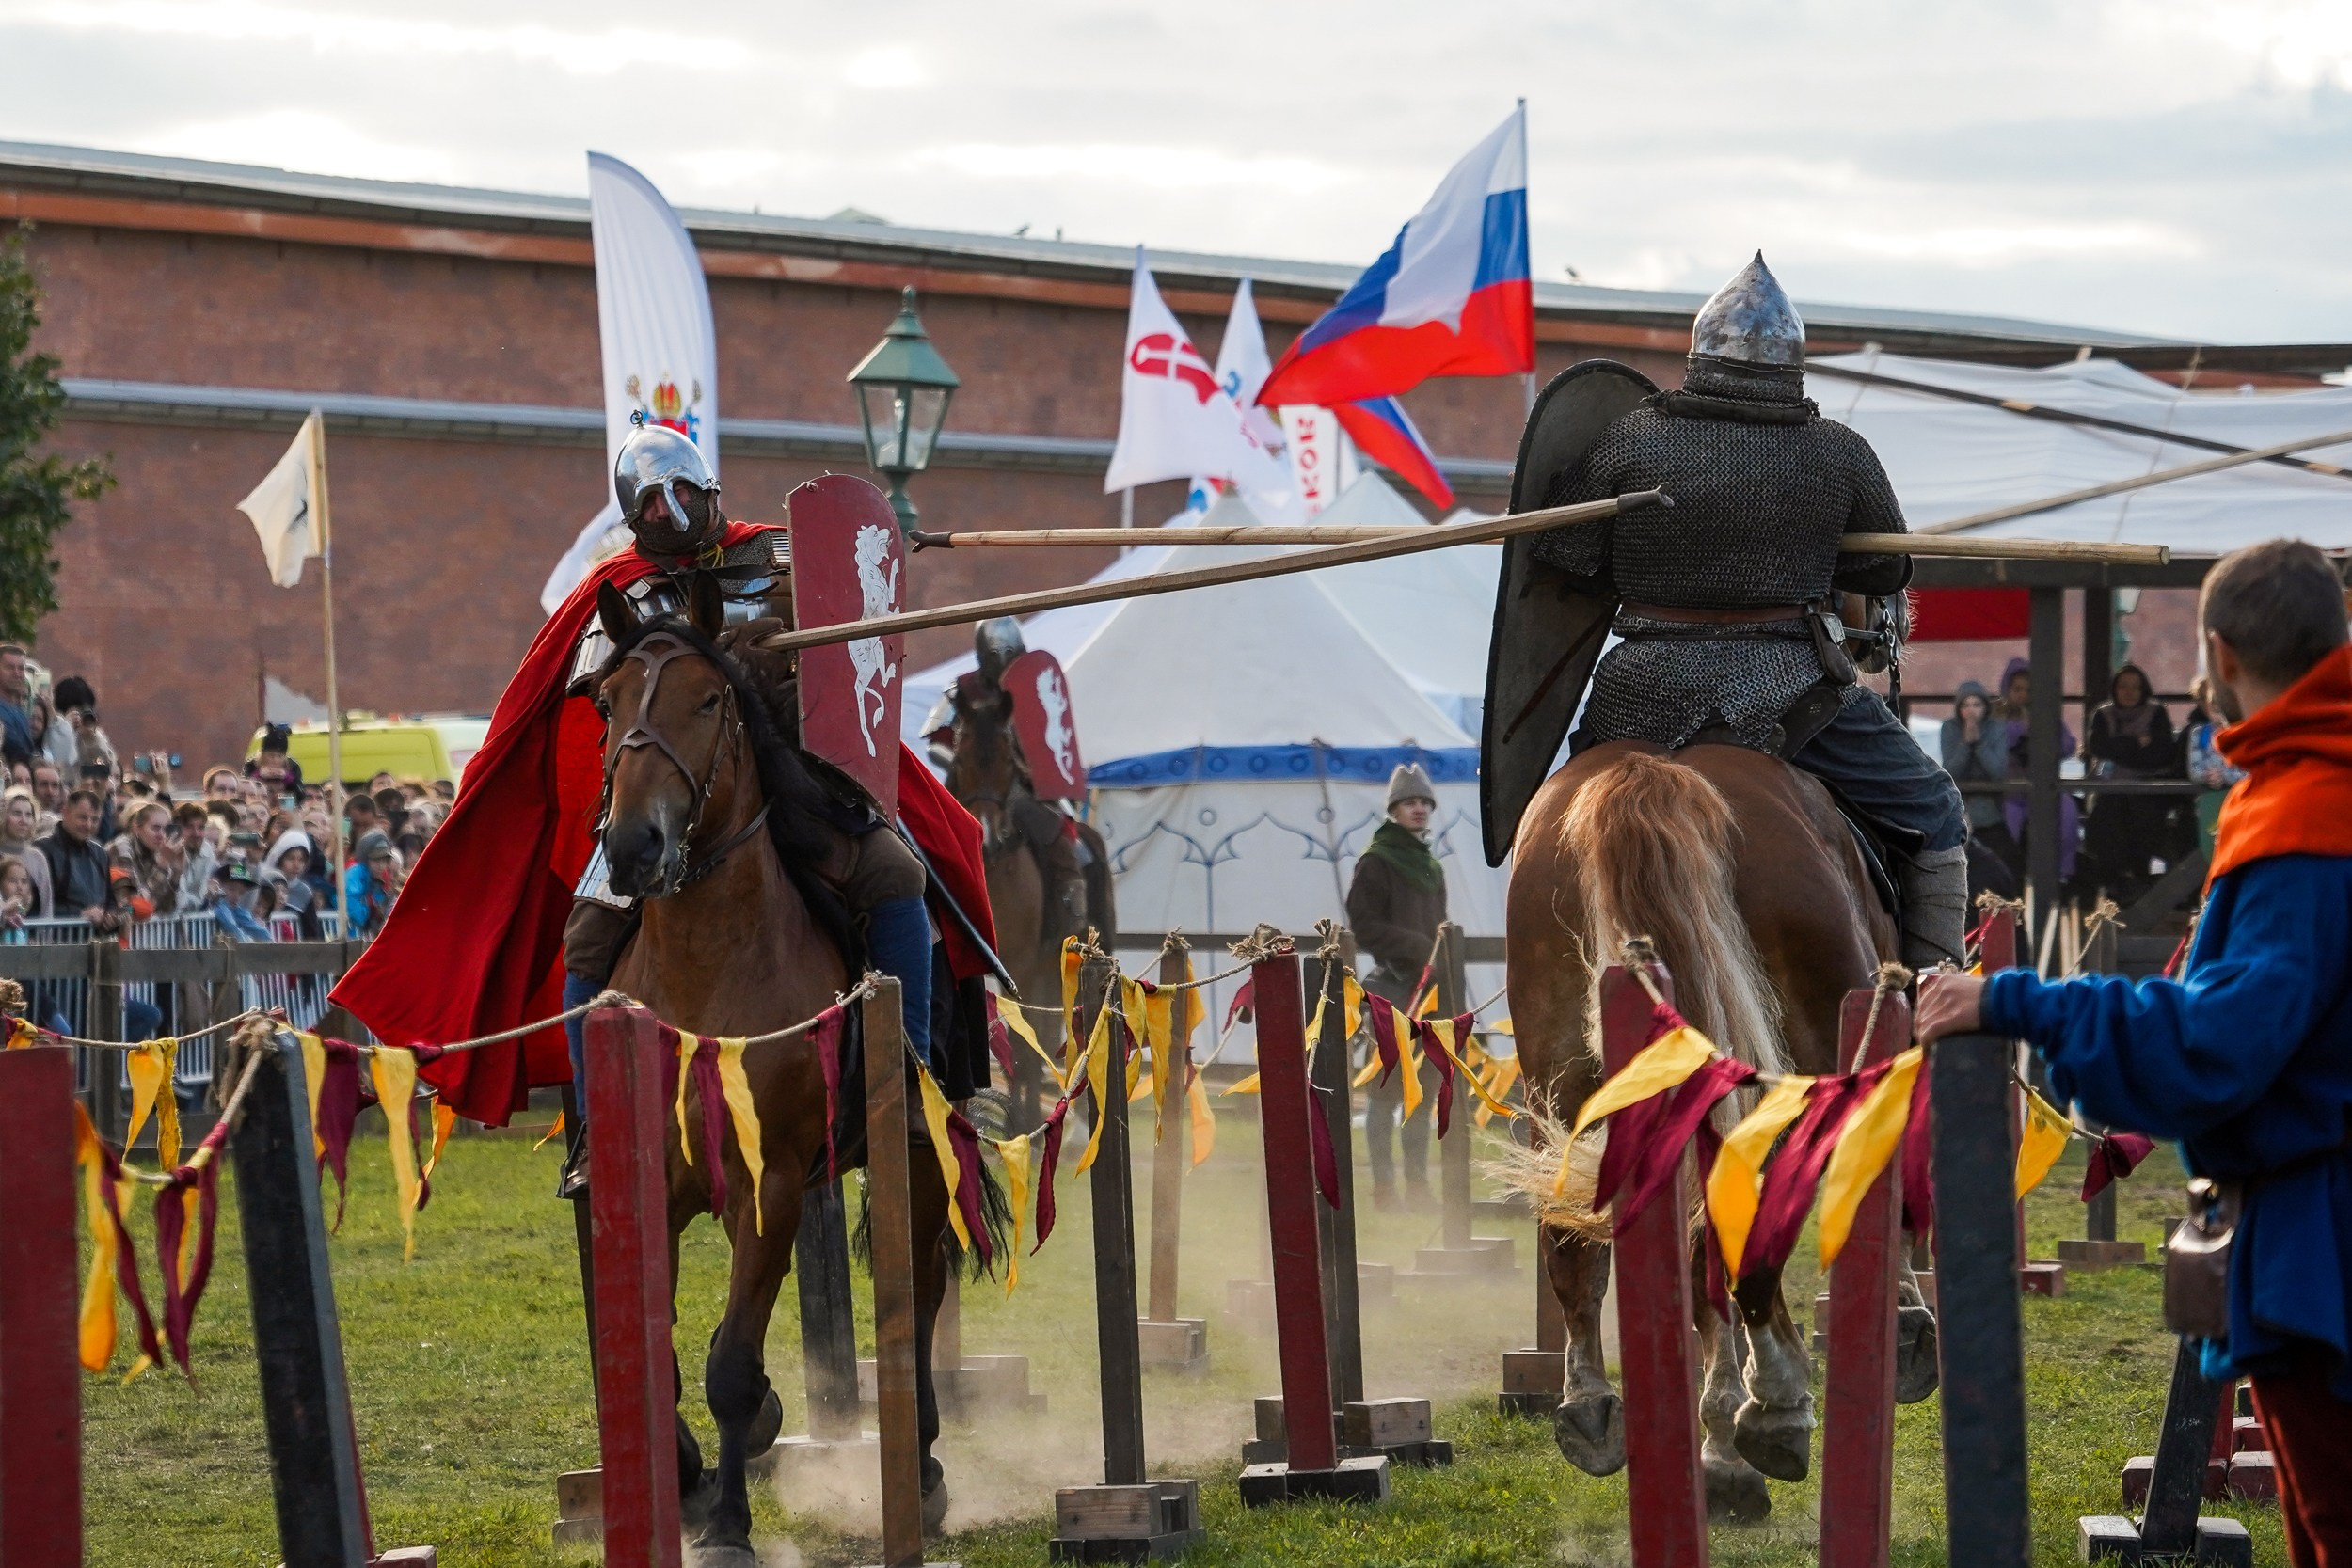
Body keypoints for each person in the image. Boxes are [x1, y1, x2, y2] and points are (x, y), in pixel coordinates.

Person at [330, 418, 997, 1164]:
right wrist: (698, 664)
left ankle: (901, 1088)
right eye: (650, 503)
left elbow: (852, 640)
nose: (669, 513)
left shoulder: (780, 555)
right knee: (586, 939)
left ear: (706, 486)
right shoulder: (620, 592)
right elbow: (598, 693)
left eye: (679, 492)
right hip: (672, 800)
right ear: (632, 516)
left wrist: (854, 571)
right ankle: (598, 1133)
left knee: (898, 872)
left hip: (793, 774)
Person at [1917, 541, 2352, 1567]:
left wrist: (2016, 1000)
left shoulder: (2308, 813)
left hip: (2326, 1247)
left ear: (2217, 652)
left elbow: (2214, 1042)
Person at [1527, 254, 1969, 970]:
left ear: (1699, 357)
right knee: (1933, 807)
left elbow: (1564, 555)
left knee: (1554, 821)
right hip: (1787, 689)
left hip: (1638, 691)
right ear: (1791, 365)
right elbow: (1881, 570)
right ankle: (1933, 995)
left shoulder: (1634, 439)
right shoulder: (1839, 453)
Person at [1347, 763, 1448, 1212]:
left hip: (1429, 995)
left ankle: (1420, 1188)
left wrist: (1443, 956)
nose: (1419, 809)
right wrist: (1417, 946)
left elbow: (1441, 929)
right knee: (1385, 1095)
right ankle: (1385, 1190)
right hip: (1391, 987)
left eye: (1425, 803)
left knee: (1422, 1094)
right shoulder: (1376, 861)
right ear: (1393, 810)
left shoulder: (1430, 866)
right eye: (1411, 803)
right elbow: (1365, 927)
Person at [2081, 663, 2182, 899]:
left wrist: (2120, 747)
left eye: (2135, 687)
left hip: (2148, 788)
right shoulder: (2102, 714)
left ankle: (2140, 878)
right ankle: (2113, 882)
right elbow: (2099, 748)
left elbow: (2160, 754)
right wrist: (2137, 743)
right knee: (2106, 817)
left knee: (2144, 814)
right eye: (2123, 686)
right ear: (2114, 689)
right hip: (2109, 789)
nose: (2129, 692)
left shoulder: (2156, 713)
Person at [1991, 657, 2080, 885]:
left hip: (2044, 789)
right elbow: (1997, 745)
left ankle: (2062, 875)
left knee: (2067, 813)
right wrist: (2021, 727)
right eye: (2017, 689)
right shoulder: (1996, 715)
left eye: (2029, 690)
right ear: (2007, 689)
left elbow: (2068, 746)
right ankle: (2007, 880)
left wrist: (2040, 727)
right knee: (2009, 826)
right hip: (2009, 791)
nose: (2023, 695)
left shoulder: (2046, 715)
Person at [37, 789, 113, 924]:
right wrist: (78, 915)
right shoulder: (42, 850)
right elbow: (34, 906)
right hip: (56, 939)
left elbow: (111, 902)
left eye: (95, 820)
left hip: (95, 938)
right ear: (65, 813)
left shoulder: (100, 852)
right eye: (82, 817)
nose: (88, 825)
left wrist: (112, 917)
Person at [0, 786, 55, 918]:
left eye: (29, 815)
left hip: (33, 937)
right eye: (17, 814)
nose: (24, 821)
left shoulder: (38, 857)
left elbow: (47, 908)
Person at [0, 644, 36, 768]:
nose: (17, 673)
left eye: (21, 668)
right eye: (10, 667)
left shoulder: (21, 712)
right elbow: (15, 748)